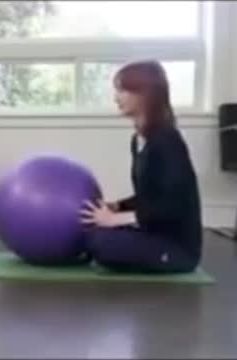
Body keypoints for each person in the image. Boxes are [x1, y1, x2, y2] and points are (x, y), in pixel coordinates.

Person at [79, 60, 202, 273]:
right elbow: (150, 197)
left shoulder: (168, 141)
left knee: (99, 242)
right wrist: (117, 206)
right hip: (152, 233)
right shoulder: (139, 140)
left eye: (122, 90)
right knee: (90, 230)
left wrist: (115, 219)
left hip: (178, 249)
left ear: (145, 94)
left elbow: (172, 207)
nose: (116, 98)